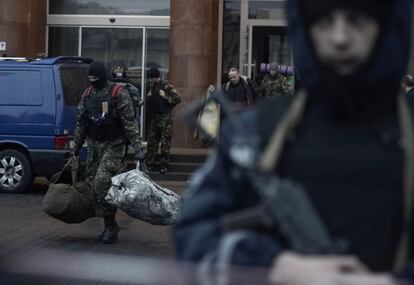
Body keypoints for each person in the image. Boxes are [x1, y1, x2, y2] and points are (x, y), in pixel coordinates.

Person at [174, 0, 414, 284]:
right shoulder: (258, 131)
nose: (339, 38)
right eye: (324, 22)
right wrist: (273, 266)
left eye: (357, 20)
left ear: (386, 27)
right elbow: (192, 236)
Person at [71, 61, 144, 244]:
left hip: (114, 145)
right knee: (93, 185)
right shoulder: (87, 95)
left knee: (101, 182)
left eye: (95, 78)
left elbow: (130, 123)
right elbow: (81, 124)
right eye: (90, 78)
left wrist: (138, 150)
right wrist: (76, 149)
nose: (93, 81)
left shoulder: (118, 93)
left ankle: (111, 226)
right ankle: (108, 224)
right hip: (95, 145)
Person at [146, 67, 181, 174]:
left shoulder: (166, 85)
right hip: (155, 116)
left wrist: (165, 96)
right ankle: (149, 164)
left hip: (165, 117)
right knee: (152, 141)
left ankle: (164, 165)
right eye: (150, 78)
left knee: (165, 142)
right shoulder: (152, 86)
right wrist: (148, 97)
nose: (150, 80)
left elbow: (178, 99)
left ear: (157, 77)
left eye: (152, 78)